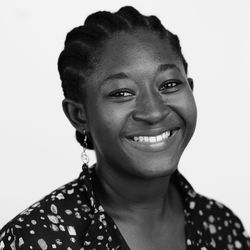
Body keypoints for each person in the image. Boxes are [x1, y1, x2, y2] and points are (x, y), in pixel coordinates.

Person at [0, 6, 249, 250]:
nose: (153, 111)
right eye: (122, 93)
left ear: (190, 89)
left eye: (170, 84)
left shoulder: (223, 227)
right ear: (79, 115)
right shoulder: (34, 239)